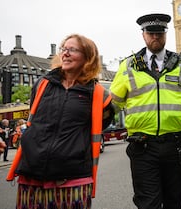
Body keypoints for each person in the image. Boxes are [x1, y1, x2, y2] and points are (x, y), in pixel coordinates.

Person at [110, 13, 181, 209]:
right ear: (143, 35)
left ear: (165, 34)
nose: (155, 36)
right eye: (150, 32)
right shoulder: (128, 66)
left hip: (176, 145)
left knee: (174, 200)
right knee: (148, 203)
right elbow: (113, 103)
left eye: (159, 32)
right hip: (142, 146)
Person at [7, 34, 114, 209]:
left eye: (72, 50)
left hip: (74, 179)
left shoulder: (99, 95)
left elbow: (101, 124)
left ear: (88, 57)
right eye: (63, 49)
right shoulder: (43, 84)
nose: (65, 53)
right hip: (32, 177)